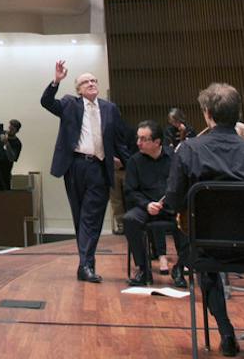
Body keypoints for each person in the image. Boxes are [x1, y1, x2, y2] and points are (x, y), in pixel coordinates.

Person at [155, 84, 244, 357]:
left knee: (200, 256)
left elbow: (172, 201)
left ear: (207, 115)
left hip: (209, 249)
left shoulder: (188, 151)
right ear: (238, 115)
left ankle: (226, 333)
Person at [40, 60, 129, 284]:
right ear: (78, 89)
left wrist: (129, 164)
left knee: (92, 217)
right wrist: (56, 81)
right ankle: (85, 264)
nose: (90, 83)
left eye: (93, 80)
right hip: (75, 166)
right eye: (85, 82)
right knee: (80, 216)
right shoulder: (70, 104)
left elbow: (120, 140)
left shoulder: (110, 108)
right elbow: (46, 102)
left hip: (99, 167)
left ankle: (86, 264)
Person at [119, 121, 177, 285]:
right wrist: (147, 205)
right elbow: (130, 191)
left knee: (188, 219)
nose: (138, 143)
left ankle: (181, 267)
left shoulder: (174, 158)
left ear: (157, 142)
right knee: (130, 220)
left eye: (143, 139)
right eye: (138, 138)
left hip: (170, 207)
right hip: (145, 207)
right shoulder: (134, 161)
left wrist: (168, 202)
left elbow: (180, 184)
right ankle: (143, 269)